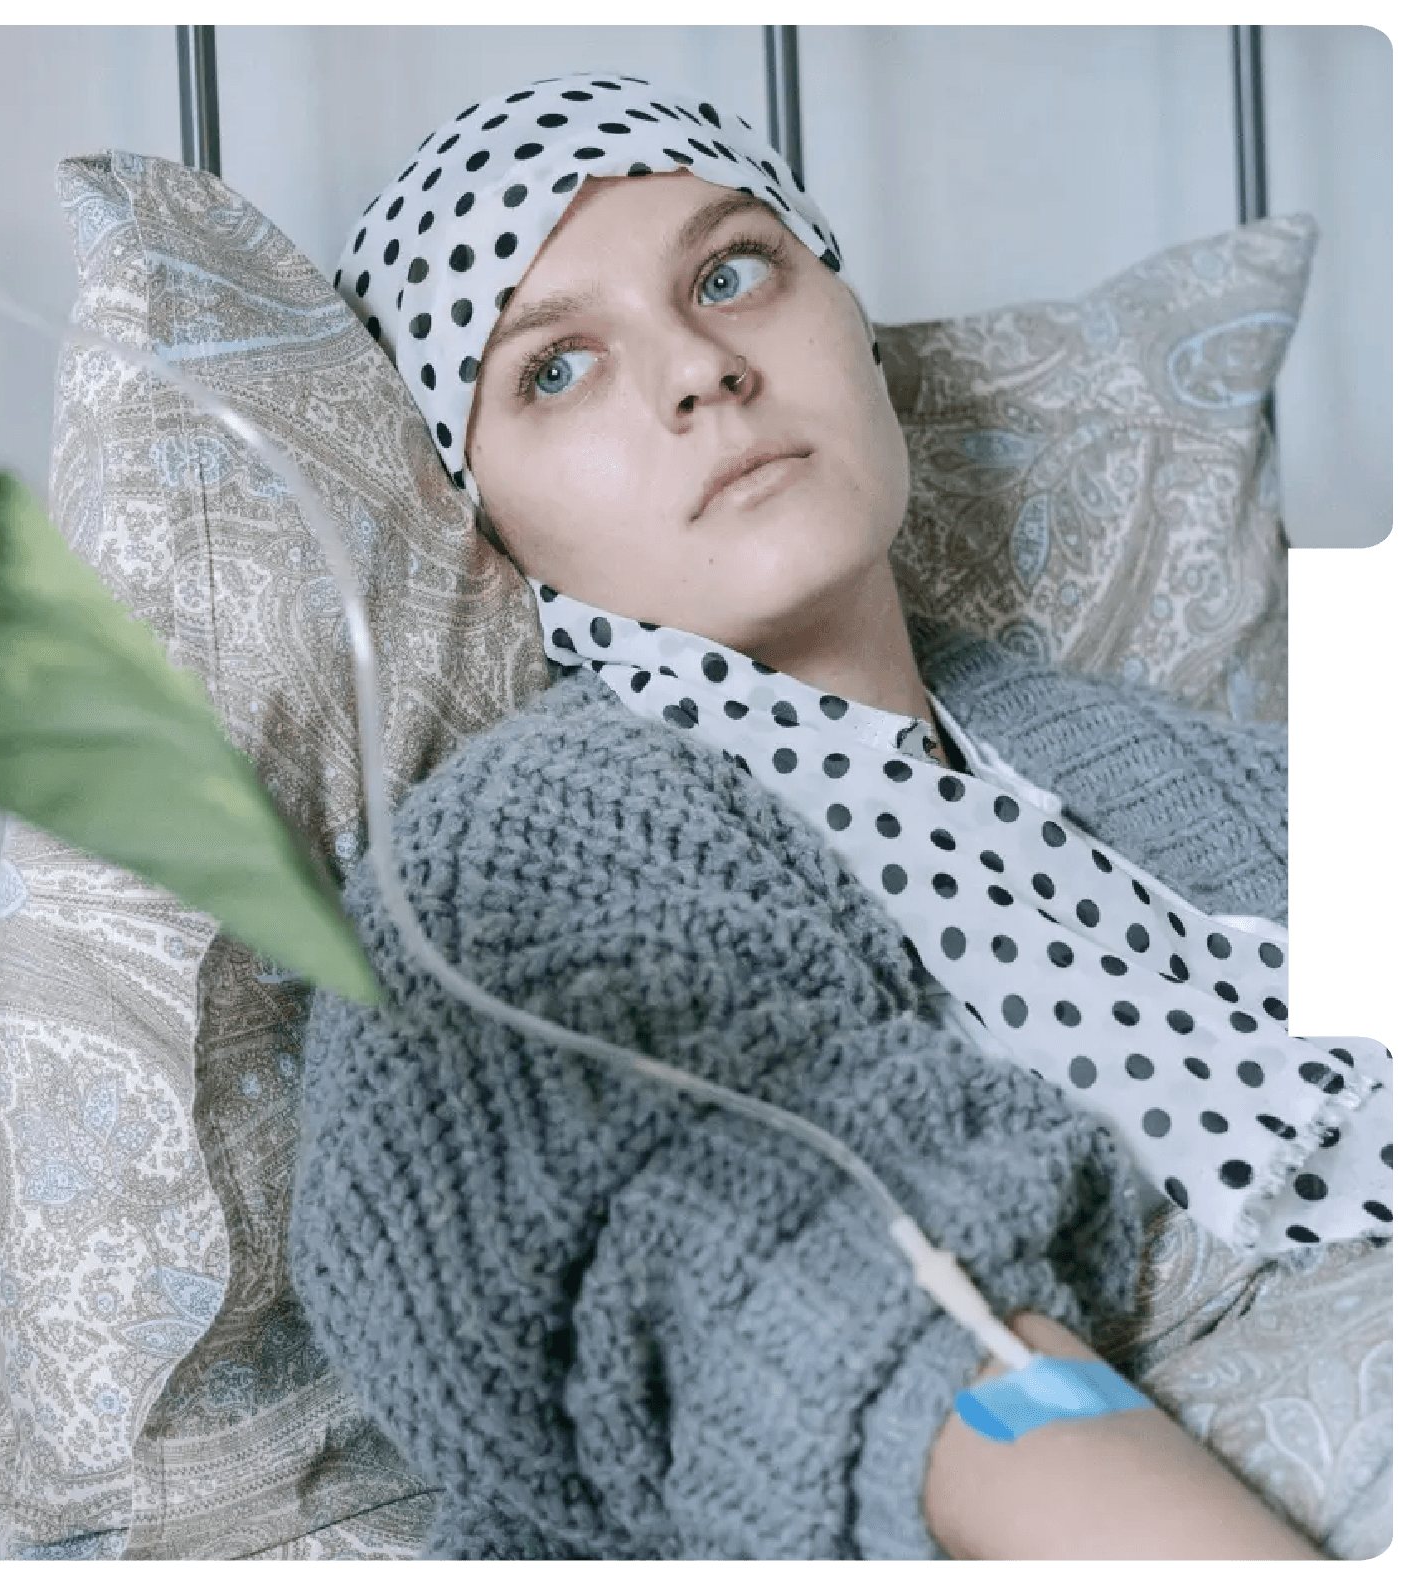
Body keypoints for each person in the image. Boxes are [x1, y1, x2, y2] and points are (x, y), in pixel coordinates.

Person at [288, 73, 1391, 1561]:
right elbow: (816, 1310)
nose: (696, 369)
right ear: (488, 533)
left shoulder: (1184, 770)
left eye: (731, 273)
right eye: (554, 369)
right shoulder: (513, 874)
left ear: (854, 331)